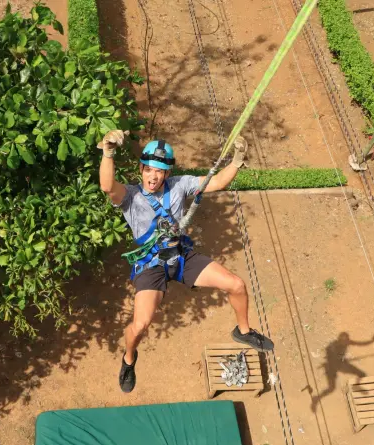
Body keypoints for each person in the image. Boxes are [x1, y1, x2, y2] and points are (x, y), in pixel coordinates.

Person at [98, 130, 274, 393]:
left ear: (167, 174)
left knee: (236, 285)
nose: (153, 177)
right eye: (148, 170)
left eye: (159, 171)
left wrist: (237, 161)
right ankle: (129, 359)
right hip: (151, 264)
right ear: (141, 170)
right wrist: (108, 151)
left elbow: (216, 183)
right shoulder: (131, 196)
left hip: (180, 256)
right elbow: (107, 186)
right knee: (139, 326)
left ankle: (244, 331)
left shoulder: (180, 185)